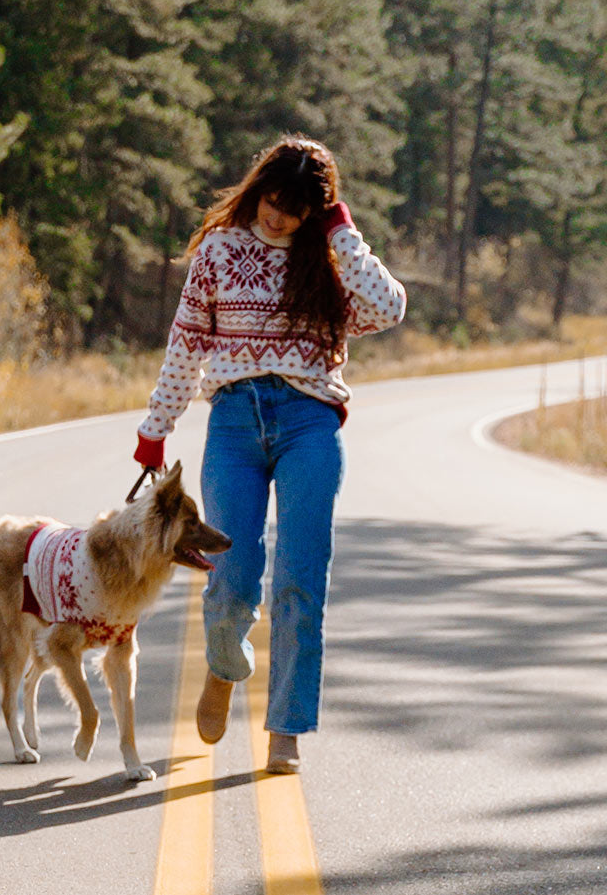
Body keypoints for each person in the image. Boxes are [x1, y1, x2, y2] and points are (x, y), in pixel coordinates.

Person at [134, 135, 406, 774]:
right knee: (230, 574)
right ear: (256, 189)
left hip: (309, 423)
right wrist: (156, 427)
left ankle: (284, 727)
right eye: (270, 200)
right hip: (232, 421)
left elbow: (390, 307)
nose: (277, 215)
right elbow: (185, 344)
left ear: (316, 211)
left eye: (294, 207)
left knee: (300, 579)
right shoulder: (221, 251)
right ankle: (225, 670)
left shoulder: (329, 259)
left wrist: (341, 231)